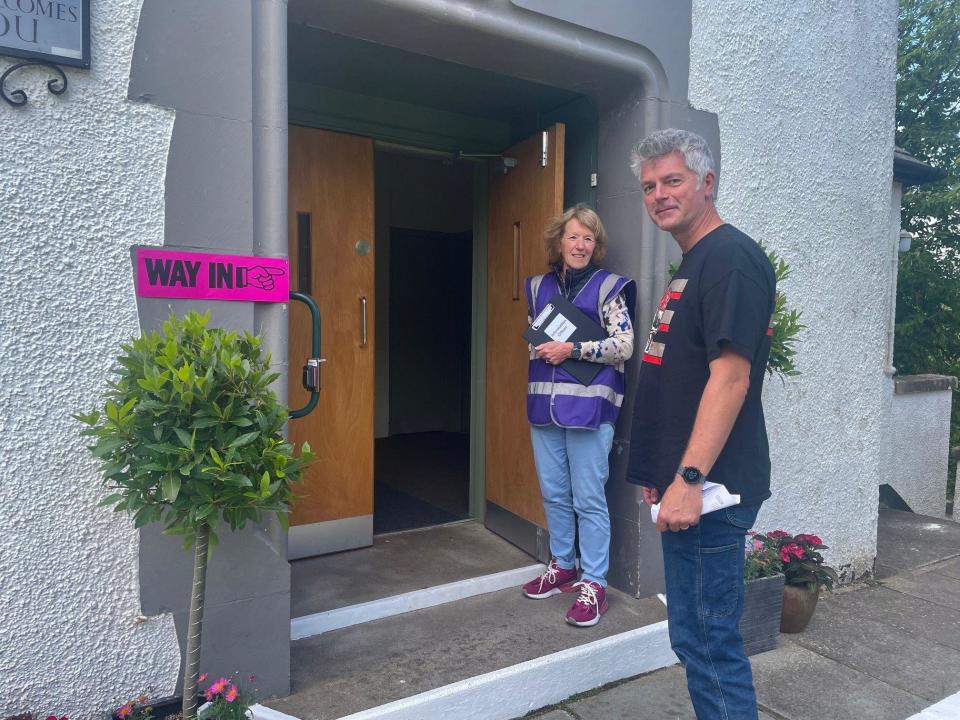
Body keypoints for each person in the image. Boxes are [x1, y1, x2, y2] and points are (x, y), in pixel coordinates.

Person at [626, 129, 775, 719]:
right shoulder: (696, 262)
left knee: (709, 645)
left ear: (706, 183)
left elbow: (730, 379)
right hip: (690, 484)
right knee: (694, 639)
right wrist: (664, 472)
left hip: (712, 489)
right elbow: (683, 375)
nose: (660, 194)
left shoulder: (730, 260)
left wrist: (687, 477)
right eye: (649, 186)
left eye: (673, 180)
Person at [519, 203, 636, 627]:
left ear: (596, 244)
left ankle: (595, 583)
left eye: (588, 238)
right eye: (573, 236)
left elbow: (624, 345)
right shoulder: (537, 288)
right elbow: (534, 339)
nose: (580, 245)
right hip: (545, 409)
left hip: (590, 411)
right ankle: (563, 565)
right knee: (553, 493)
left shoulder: (609, 289)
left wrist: (573, 349)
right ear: (559, 241)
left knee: (589, 499)